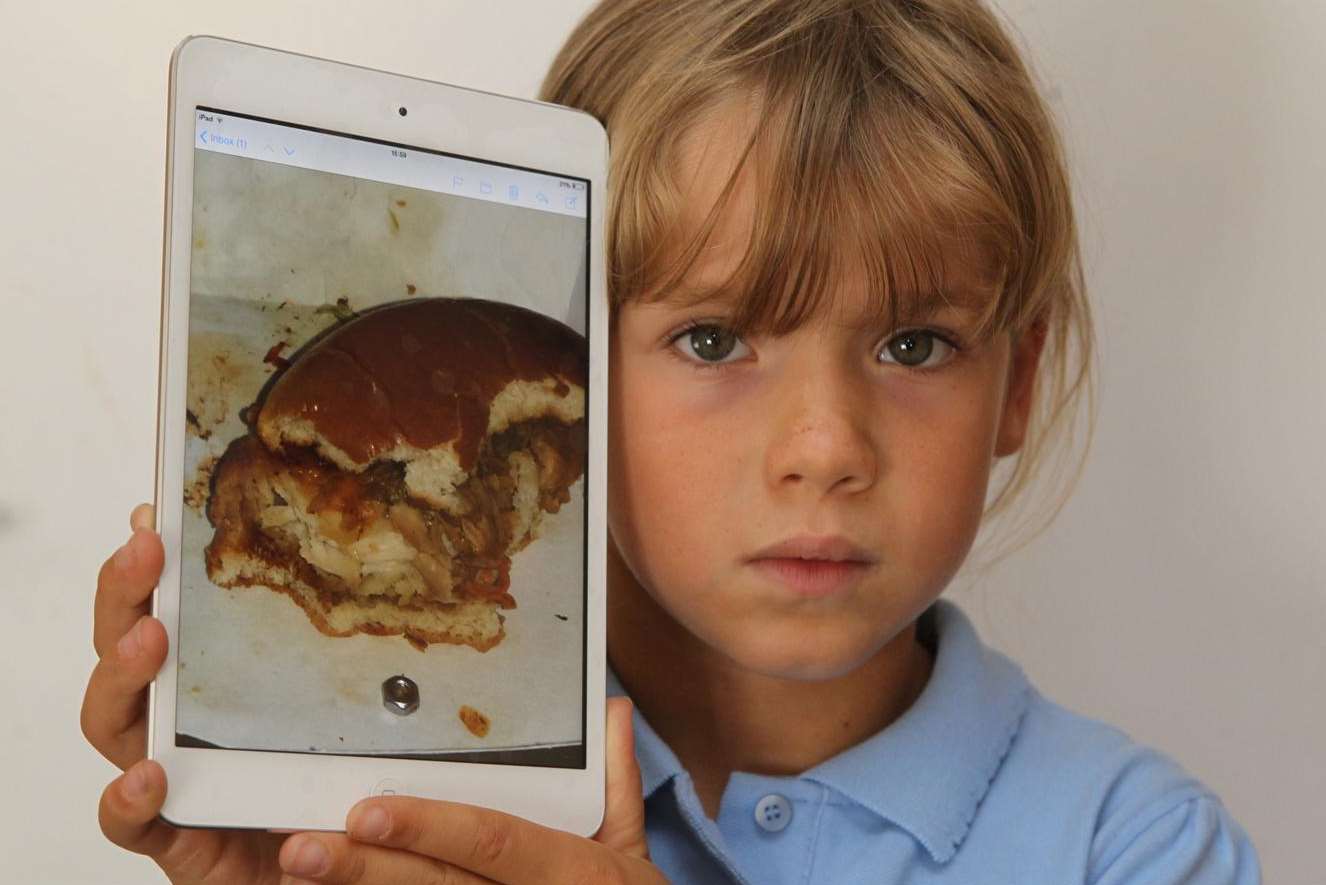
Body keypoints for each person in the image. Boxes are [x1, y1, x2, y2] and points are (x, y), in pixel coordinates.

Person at [81, 0, 1263, 882]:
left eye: (913, 346)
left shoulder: (1140, 848)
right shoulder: (404, 777)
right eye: (712, 340)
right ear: (568, 374)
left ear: (1018, 384)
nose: (824, 447)